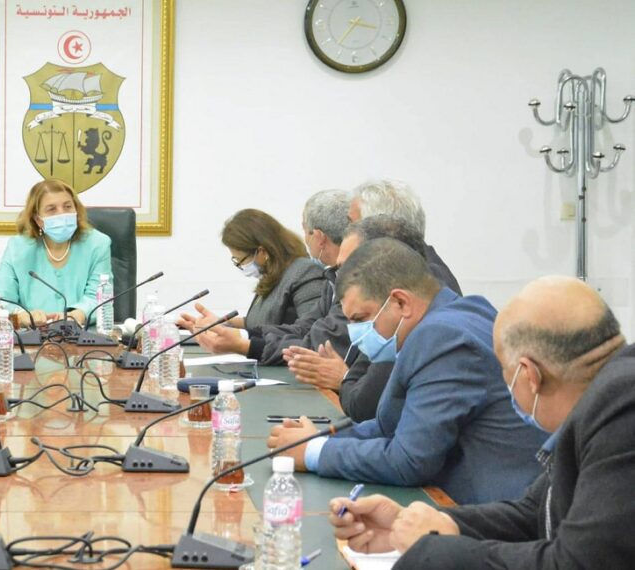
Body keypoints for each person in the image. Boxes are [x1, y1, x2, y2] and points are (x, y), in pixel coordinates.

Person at [329, 276, 631, 569]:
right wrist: (424, 524)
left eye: (506, 374)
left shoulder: (620, 412)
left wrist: (437, 552)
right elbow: (534, 513)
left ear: (529, 375)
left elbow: (579, 563)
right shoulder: (602, 400)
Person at [268, 238, 548, 504]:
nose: (355, 334)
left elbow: (409, 461)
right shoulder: (463, 311)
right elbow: (389, 425)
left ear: (401, 302)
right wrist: (320, 439)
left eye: (361, 319)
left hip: (494, 514)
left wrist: (313, 453)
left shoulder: (441, 338)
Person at [284, 215, 440, 421]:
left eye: (350, 267)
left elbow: (364, 405)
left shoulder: (435, 333)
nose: (342, 276)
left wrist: (344, 378)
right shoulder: (391, 322)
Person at [224, 189, 351, 363]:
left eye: (241, 260)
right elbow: (304, 327)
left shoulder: (306, 272)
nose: (305, 239)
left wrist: (246, 345)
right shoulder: (331, 276)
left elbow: (314, 338)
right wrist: (233, 329)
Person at [178, 208, 326, 355]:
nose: (241, 266)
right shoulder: (272, 275)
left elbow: (309, 333)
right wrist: (219, 323)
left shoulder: (304, 272)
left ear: (262, 252)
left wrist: (240, 338)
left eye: (240, 260)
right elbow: (257, 322)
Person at [0, 178, 113, 327]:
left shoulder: (98, 243)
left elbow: (99, 297)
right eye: (52, 209)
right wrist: (22, 316)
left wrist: (79, 314)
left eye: (68, 207)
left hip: (81, 334)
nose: (62, 214)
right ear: (38, 219)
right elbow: (0, 300)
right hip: (32, 335)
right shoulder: (18, 247)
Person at [348, 178, 461, 294]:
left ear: (385, 229)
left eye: (352, 225)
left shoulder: (425, 286)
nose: (346, 234)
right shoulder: (403, 269)